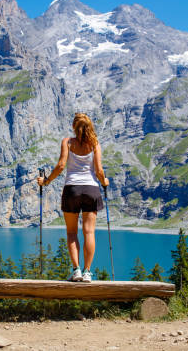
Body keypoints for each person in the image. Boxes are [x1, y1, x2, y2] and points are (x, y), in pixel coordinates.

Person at [37, 113, 109, 282]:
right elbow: (99, 171)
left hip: (71, 190)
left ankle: (76, 270)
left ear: (74, 127)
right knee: (89, 232)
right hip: (91, 189)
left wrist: (46, 181)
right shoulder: (95, 144)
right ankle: (87, 272)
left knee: (71, 232)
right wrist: (104, 181)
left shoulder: (68, 142)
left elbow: (61, 165)